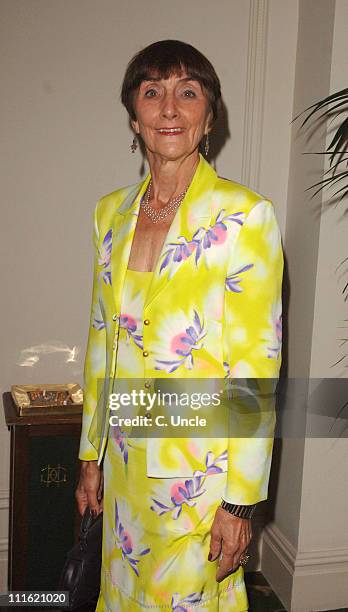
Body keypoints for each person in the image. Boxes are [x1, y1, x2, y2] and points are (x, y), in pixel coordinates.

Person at [76, 39, 283, 611]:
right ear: (134, 116)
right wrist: (89, 454)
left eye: (187, 93)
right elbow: (101, 339)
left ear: (209, 115)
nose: (169, 109)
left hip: (198, 478)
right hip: (123, 467)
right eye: (153, 93)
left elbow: (255, 368)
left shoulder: (245, 217)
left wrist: (240, 504)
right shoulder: (109, 213)